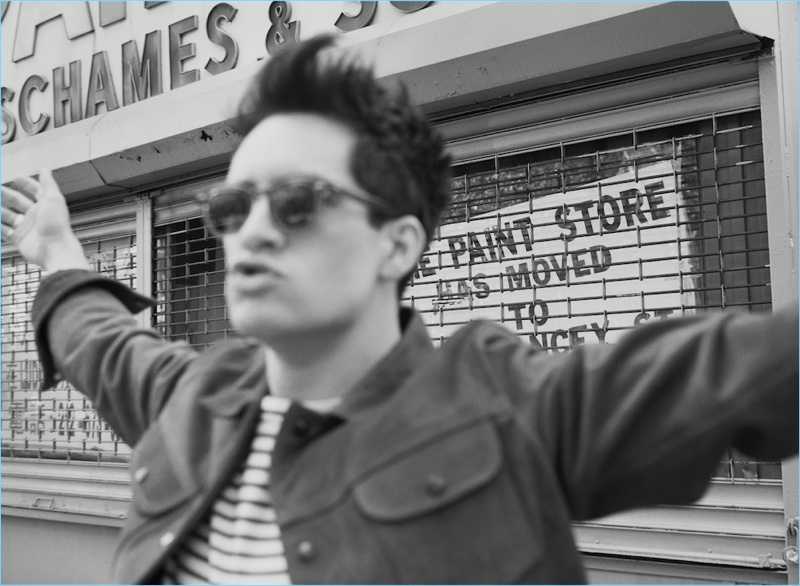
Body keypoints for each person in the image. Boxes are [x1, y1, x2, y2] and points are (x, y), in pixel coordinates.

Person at [1, 35, 797, 585]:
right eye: (234, 207)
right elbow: (97, 342)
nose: (253, 233)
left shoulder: (503, 406)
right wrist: (59, 255)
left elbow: (751, 370)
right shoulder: (195, 399)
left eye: (300, 204)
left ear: (397, 243)